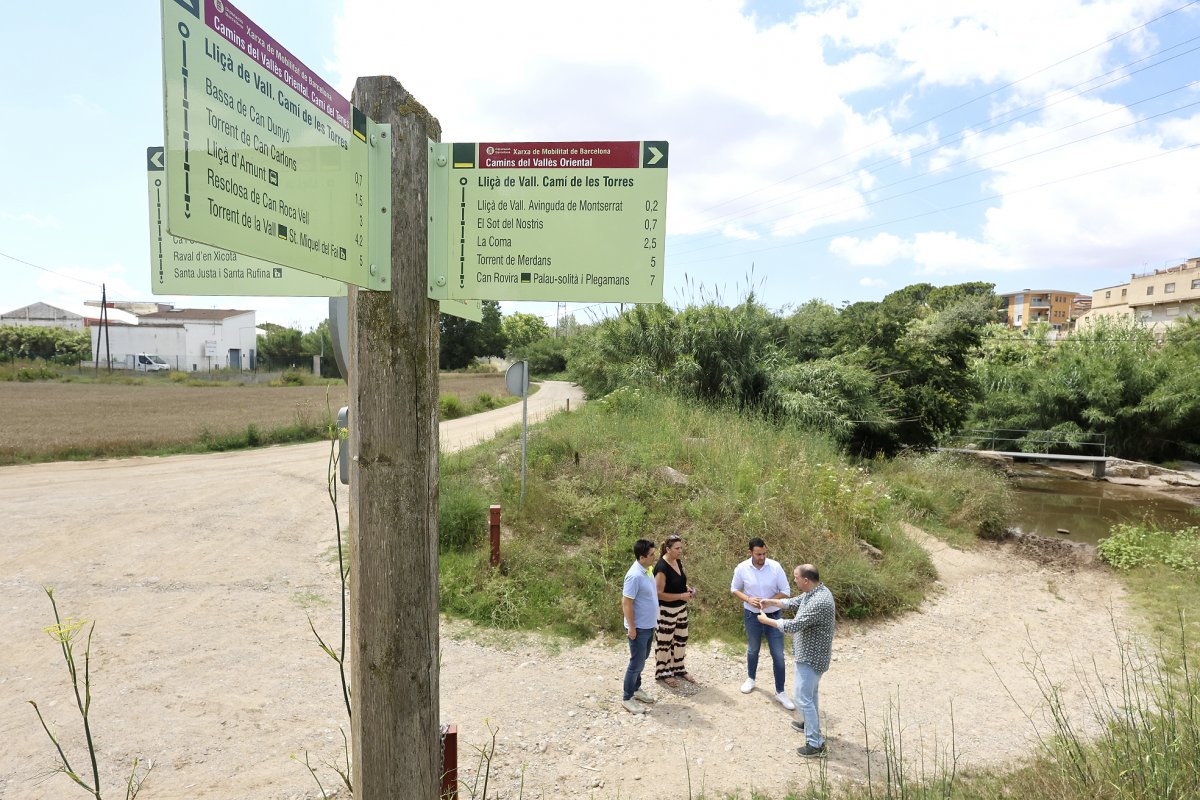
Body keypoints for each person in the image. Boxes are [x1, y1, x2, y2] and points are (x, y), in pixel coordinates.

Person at [759, 564, 837, 758]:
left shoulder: (819, 600)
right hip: (810, 654)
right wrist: (771, 602)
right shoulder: (816, 591)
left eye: (795, 577)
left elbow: (795, 625)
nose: (793, 580)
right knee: (810, 695)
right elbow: (794, 602)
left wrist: (766, 620)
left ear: (805, 580)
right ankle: (809, 724)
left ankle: (815, 744)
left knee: (803, 697)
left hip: (812, 657)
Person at [730, 538, 794, 709]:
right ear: (750, 552)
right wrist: (748, 599)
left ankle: (780, 691)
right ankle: (751, 679)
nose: (762, 557)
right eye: (758, 554)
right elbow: (734, 588)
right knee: (753, 649)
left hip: (773, 616)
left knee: (778, 654)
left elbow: (786, 591)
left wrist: (769, 601)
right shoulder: (742, 568)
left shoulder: (775, 567)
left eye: (764, 553)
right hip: (752, 616)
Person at [621, 538, 660, 714]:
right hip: (638, 628)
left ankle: (636, 689)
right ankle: (627, 697)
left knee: (642, 659)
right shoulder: (634, 575)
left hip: (648, 625)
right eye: (652, 554)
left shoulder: (647, 569)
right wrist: (632, 627)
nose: (655, 557)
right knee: (636, 663)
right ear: (642, 557)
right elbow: (626, 603)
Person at [653, 534, 697, 688]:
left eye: (681, 548)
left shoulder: (677, 561)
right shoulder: (661, 567)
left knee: (681, 639)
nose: (680, 551)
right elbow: (658, 594)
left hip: (681, 609)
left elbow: (679, 581)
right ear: (668, 549)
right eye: (677, 548)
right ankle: (663, 672)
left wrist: (687, 590)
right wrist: (681, 595)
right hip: (666, 610)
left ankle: (678, 668)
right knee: (664, 642)